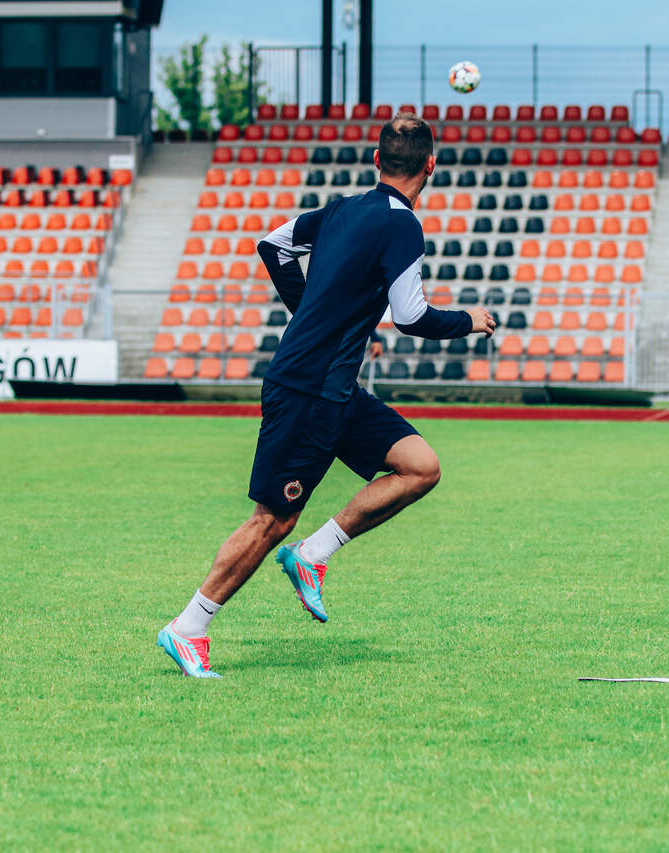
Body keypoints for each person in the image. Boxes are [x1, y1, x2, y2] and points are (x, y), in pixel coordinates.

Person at [157, 113, 497, 678]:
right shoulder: (404, 226)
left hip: (333, 387)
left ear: (376, 160)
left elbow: (273, 245)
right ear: (432, 166)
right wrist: (469, 320)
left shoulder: (342, 209)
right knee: (272, 520)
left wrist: (312, 311)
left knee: (420, 467)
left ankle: (312, 556)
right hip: (308, 389)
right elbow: (411, 316)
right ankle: (188, 628)